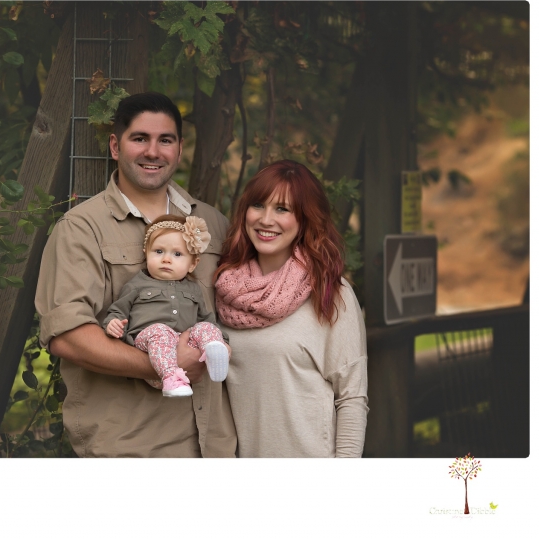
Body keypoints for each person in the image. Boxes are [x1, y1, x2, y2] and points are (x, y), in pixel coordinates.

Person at [35, 92, 237, 457]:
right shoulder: (82, 229)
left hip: (215, 443)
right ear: (115, 145)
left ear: (178, 149)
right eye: (140, 138)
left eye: (166, 140)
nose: (153, 152)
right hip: (133, 444)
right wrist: (165, 363)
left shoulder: (212, 224)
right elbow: (66, 336)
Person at [214, 160, 368, 457]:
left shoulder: (330, 292)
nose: (266, 219)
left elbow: (352, 397)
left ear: (305, 219)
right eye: (258, 205)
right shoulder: (224, 288)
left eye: (282, 209)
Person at [103, 214, 230, 397]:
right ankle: (171, 377)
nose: (166, 259)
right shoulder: (137, 284)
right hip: (149, 349)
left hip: (184, 346)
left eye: (177, 254)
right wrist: (113, 323)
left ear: (193, 264)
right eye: (159, 251)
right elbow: (118, 311)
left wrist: (222, 340)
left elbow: (206, 318)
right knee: (159, 331)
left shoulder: (193, 289)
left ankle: (216, 352)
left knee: (206, 327)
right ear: (146, 253)